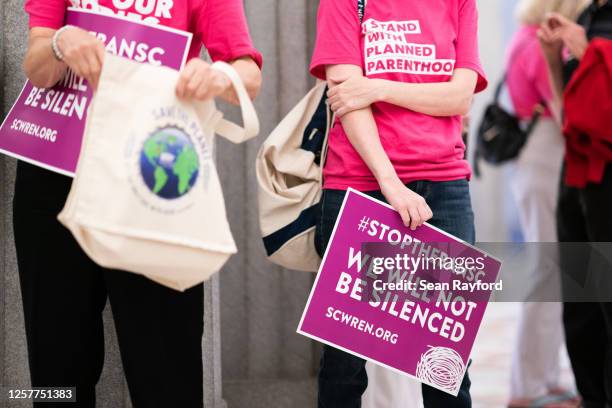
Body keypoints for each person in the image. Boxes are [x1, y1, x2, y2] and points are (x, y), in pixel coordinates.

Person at [17, 1, 262, 407]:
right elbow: (36, 68)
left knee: (168, 374)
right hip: (55, 176)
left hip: (151, 180)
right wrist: (60, 42)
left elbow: (248, 75)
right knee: (54, 374)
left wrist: (216, 76)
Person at [310, 0, 487, 406]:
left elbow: (460, 98)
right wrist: (391, 185)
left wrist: (380, 87)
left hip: (444, 186)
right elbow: (346, 100)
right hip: (360, 183)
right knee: (344, 359)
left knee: (447, 364)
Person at [504, 1, 588, 407]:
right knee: (547, 272)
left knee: (560, 273)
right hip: (545, 156)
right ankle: (526, 387)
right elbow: (564, 111)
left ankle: (547, 377)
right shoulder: (539, 44)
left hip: (543, 156)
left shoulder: (525, 37)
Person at [538, 1, 612, 407]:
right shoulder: (586, 16)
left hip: (607, 174)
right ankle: (591, 395)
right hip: (578, 175)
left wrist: (591, 51)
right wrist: (554, 59)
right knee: (581, 300)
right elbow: (567, 107)